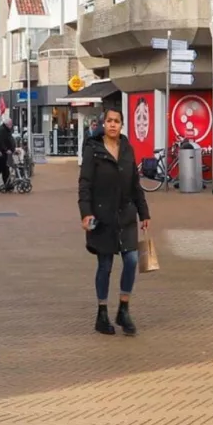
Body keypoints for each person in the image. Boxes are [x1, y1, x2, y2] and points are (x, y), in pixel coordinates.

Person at [79, 106, 151, 336]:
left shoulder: (128, 149)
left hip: (126, 215)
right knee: (105, 265)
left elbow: (135, 184)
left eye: (116, 121)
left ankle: (123, 308)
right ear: (103, 124)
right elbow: (85, 184)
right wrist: (86, 212)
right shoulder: (93, 149)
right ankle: (102, 313)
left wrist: (144, 213)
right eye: (109, 121)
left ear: (121, 125)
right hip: (102, 217)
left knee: (131, 259)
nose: (112, 124)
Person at [0, 114, 17, 192]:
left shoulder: (6, 130)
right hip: (2, 154)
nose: (11, 126)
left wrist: (13, 148)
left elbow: (9, 139)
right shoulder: (2, 130)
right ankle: (6, 185)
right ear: (7, 124)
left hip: (6, 153)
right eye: (11, 124)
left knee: (5, 170)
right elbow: (0, 142)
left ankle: (7, 185)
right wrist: (5, 150)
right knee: (3, 170)